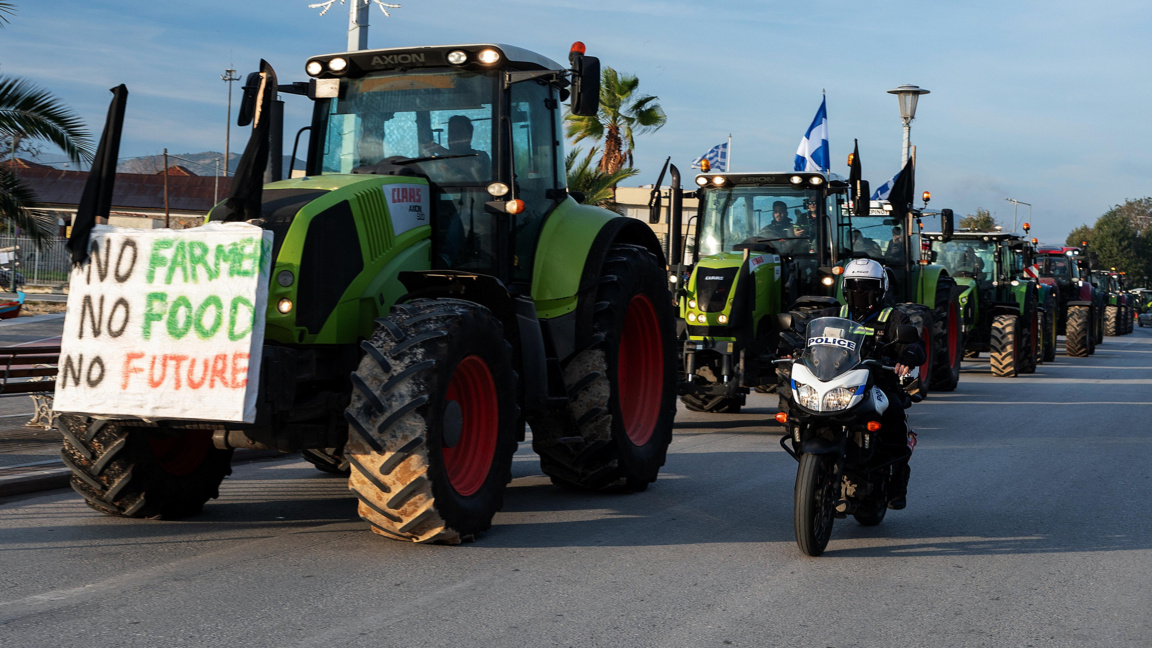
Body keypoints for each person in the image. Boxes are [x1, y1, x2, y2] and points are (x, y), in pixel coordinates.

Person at [836, 258, 925, 510]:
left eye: (866, 286)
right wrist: (795, 346)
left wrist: (908, 355)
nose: (859, 291)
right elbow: (809, 335)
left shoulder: (894, 317)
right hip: (838, 384)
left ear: (881, 288)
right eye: (854, 285)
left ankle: (897, 481)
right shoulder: (835, 313)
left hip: (879, 383)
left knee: (895, 413)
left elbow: (915, 344)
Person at [420, 115, 491, 182]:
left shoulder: (481, 156)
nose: (454, 136)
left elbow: (473, 168)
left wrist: (444, 152)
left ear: (470, 135)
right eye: (451, 132)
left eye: (459, 132)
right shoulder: (440, 160)